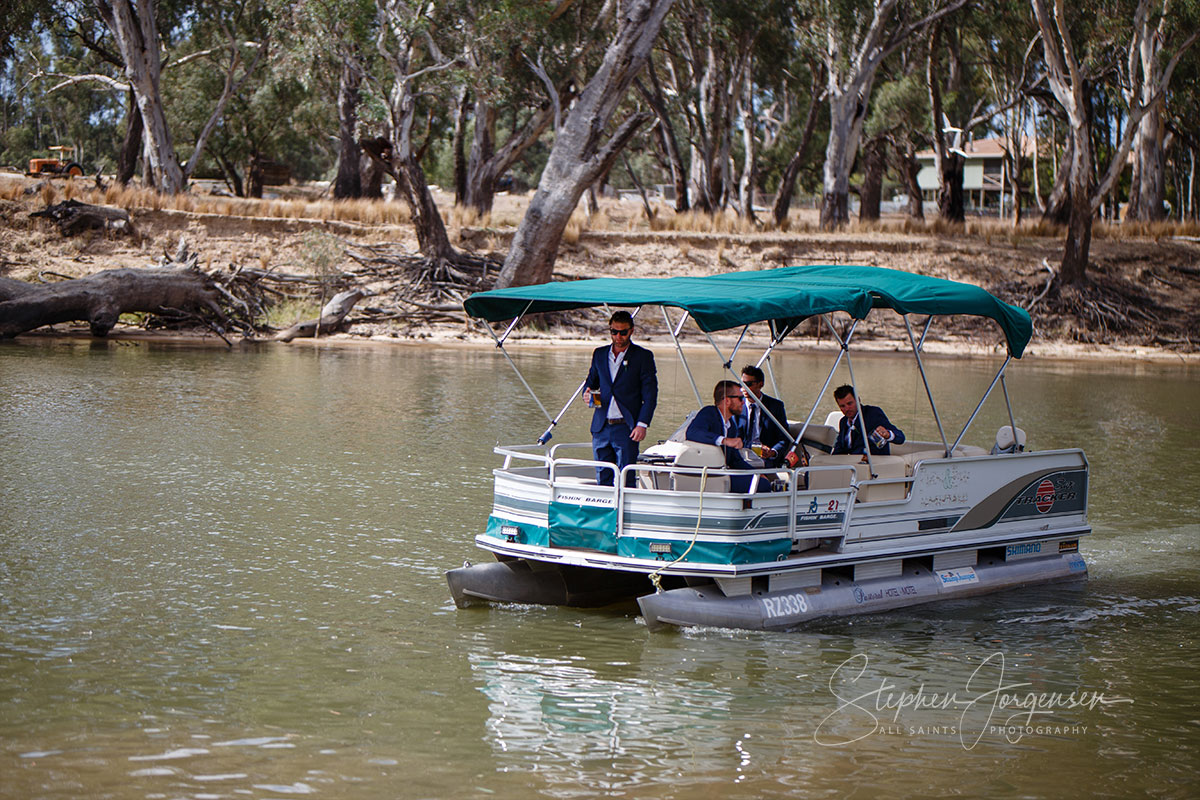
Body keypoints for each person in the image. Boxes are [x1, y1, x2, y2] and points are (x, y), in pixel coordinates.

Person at [583, 311, 658, 486]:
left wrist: (642, 424)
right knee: (602, 475)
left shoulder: (643, 356)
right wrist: (586, 394)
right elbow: (591, 382)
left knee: (625, 476)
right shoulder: (599, 354)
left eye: (622, 332)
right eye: (614, 332)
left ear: (631, 331)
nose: (618, 336)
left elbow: (650, 394)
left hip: (627, 427)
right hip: (601, 426)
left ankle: (623, 512)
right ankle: (606, 511)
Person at [686, 380, 771, 493]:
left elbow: (735, 460)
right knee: (762, 485)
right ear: (727, 400)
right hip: (705, 477)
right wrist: (724, 441)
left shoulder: (731, 426)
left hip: (720, 476)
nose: (743, 402)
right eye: (740, 398)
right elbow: (692, 432)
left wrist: (757, 473)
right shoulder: (709, 413)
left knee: (763, 482)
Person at [831, 384, 905, 456]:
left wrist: (888, 434)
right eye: (842, 406)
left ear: (858, 400)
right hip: (852, 464)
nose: (847, 409)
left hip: (873, 464)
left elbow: (901, 437)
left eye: (850, 404)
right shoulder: (843, 422)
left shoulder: (873, 414)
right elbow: (839, 449)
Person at [739, 365, 789, 468]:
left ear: (760, 384)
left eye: (748, 384)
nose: (744, 389)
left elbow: (784, 438)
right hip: (740, 454)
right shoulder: (736, 405)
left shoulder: (775, 406)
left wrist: (772, 452)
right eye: (742, 384)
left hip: (764, 458)